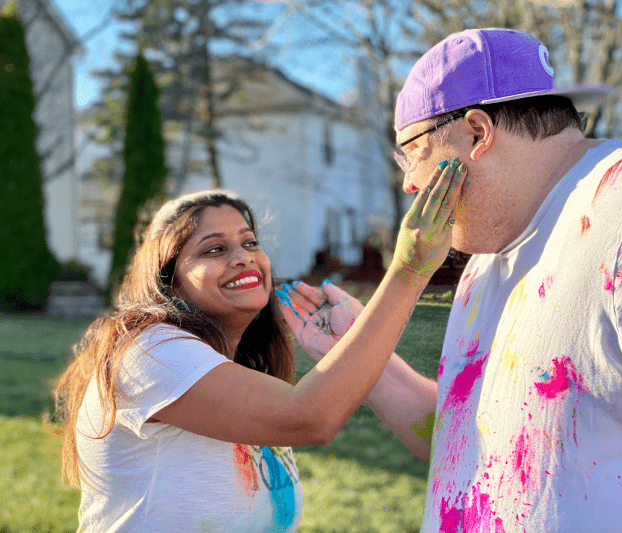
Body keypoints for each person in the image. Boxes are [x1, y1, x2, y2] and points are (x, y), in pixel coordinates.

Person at [277, 28, 622, 532]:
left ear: (477, 133)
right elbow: (471, 443)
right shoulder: (488, 257)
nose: (409, 183)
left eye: (410, 153)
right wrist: (363, 353)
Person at [53, 174, 465, 533]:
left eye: (250, 242)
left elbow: (443, 438)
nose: (243, 256)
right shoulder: (150, 353)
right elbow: (310, 418)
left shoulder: (236, 367)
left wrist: (348, 342)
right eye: (214, 249)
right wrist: (409, 271)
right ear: (169, 280)